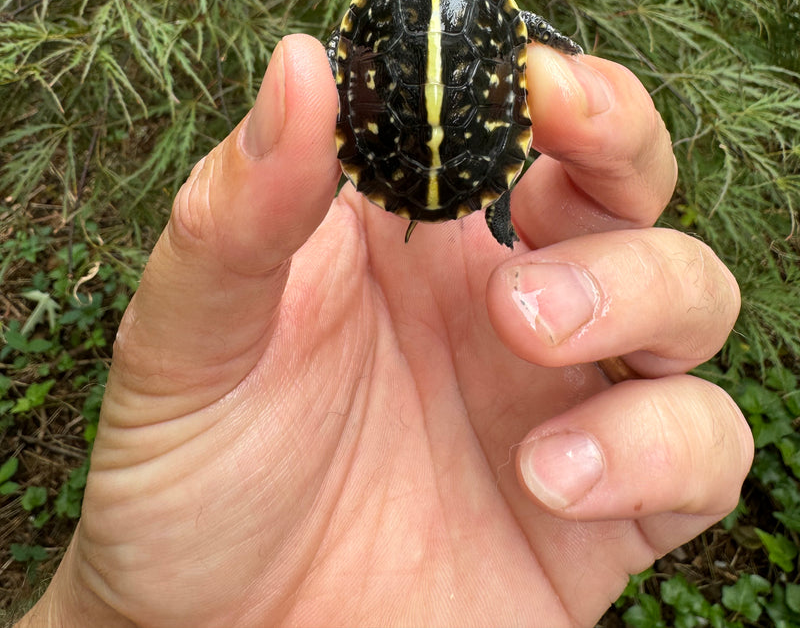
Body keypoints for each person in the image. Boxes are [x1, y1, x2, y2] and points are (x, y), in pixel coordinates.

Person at [18, 35, 753, 628]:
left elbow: (354, 64)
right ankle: (497, 214)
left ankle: (500, 218)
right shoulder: (496, 23)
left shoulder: (383, 19)